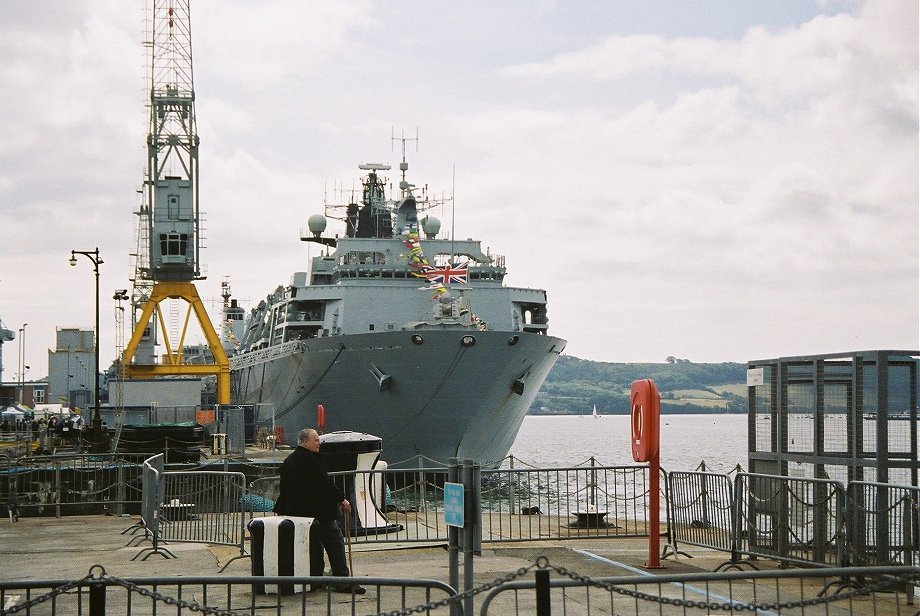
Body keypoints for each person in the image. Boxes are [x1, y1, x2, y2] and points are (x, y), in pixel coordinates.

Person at [273, 428, 365, 594]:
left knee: (314, 546)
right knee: (335, 542)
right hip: (319, 512)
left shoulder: (290, 460)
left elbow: (284, 488)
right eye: (316, 440)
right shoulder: (310, 460)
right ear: (305, 442)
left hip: (298, 513)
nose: (319, 443)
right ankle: (342, 580)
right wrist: (341, 499)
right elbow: (324, 483)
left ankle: (316, 579)